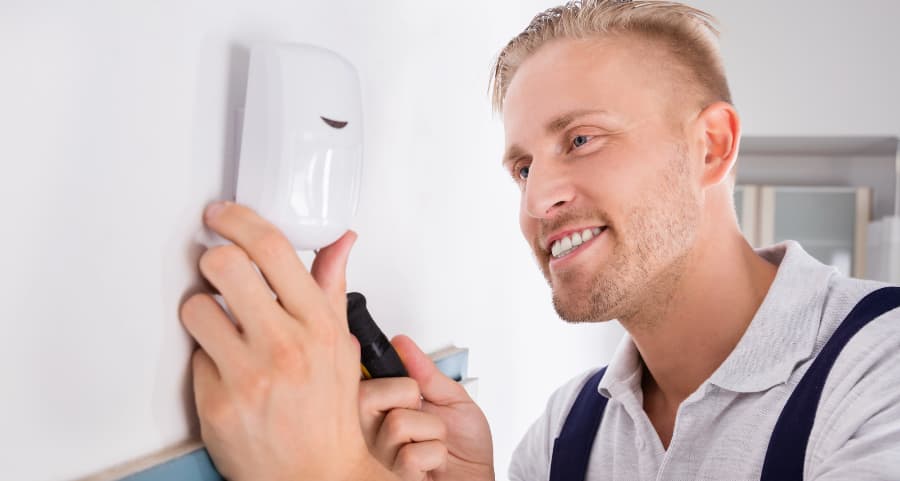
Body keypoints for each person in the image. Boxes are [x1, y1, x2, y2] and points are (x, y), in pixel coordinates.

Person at [179, 1, 900, 480]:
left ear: (711, 145)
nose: (536, 198)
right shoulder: (565, 436)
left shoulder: (881, 369)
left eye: (581, 139)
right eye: (522, 166)